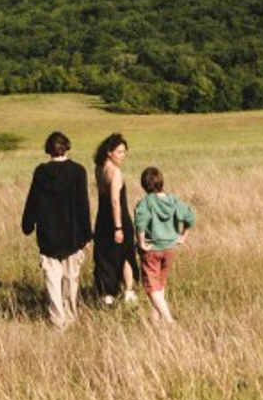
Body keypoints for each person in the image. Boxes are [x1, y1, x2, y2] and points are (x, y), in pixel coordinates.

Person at [20, 131, 92, 329]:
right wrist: (87, 234)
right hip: (72, 235)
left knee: (53, 281)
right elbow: (82, 205)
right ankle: (70, 316)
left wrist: (28, 225)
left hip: (48, 235)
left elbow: (32, 200)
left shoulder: (41, 172)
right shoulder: (78, 171)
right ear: (67, 147)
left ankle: (57, 321)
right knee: (71, 280)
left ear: (48, 149)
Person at [134, 165, 197, 325]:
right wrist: (183, 237)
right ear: (161, 182)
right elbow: (190, 217)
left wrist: (141, 242)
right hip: (169, 248)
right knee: (160, 284)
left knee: (151, 287)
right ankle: (155, 320)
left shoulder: (146, 203)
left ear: (144, 185)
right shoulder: (173, 200)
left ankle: (168, 320)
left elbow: (140, 222)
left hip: (151, 249)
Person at [92, 132, 139, 306]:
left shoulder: (99, 168)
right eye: (119, 152)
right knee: (126, 254)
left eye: (124, 152)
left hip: (102, 218)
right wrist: (118, 227)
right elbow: (115, 200)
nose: (123, 156)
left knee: (105, 256)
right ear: (108, 152)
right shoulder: (115, 172)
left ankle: (107, 293)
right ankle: (128, 291)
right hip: (117, 219)